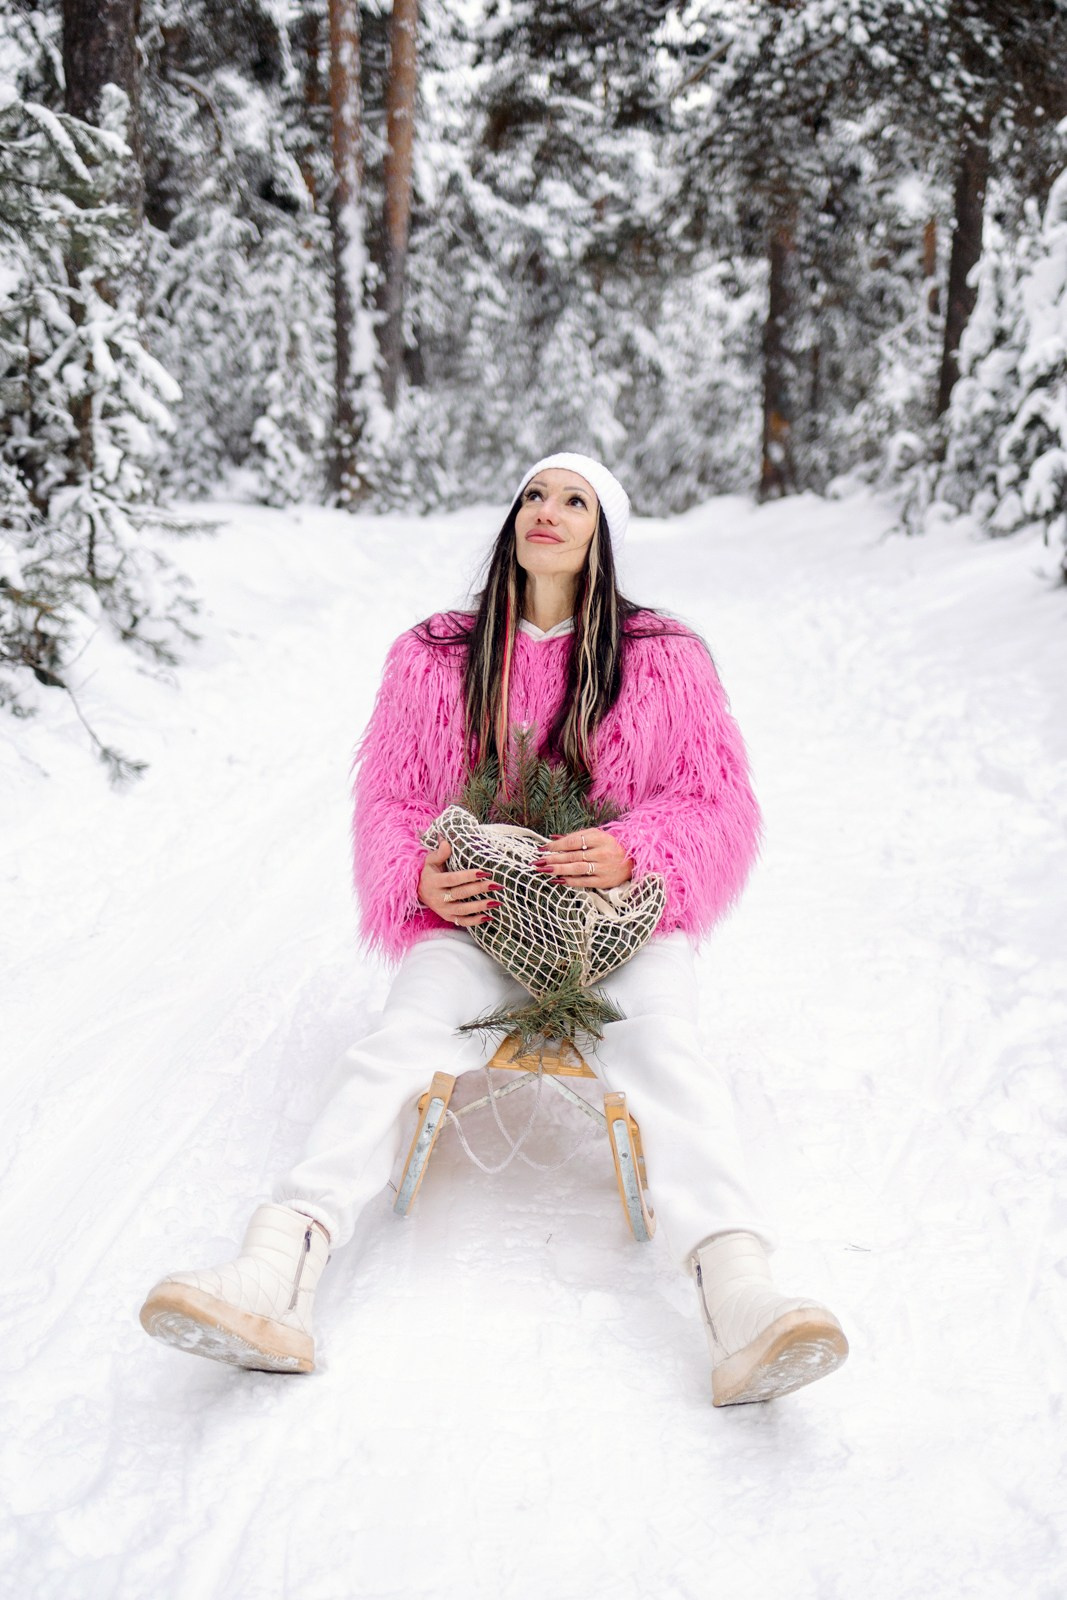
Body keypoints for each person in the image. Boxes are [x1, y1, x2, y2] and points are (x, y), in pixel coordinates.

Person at [139, 452, 849, 1406]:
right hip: (480, 914)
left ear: (603, 532)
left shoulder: (664, 656)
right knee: (398, 1043)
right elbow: (392, 797)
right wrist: (418, 875)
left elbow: (713, 798)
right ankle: (277, 1270)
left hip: (616, 919)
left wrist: (634, 849)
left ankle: (740, 1297)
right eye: (533, 495)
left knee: (666, 1051)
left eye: (574, 500)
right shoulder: (435, 654)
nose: (546, 512)